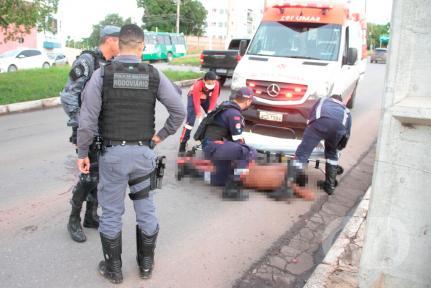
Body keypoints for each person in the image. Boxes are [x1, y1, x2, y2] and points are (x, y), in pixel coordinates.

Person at [76, 24, 186, 284]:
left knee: (112, 213)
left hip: (113, 156)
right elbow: (179, 112)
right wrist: (160, 136)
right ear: (141, 47)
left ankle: (114, 270)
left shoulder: (102, 75)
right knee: (145, 209)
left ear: (119, 44)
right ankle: (146, 266)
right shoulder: (154, 74)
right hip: (143, 156)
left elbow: (87, 121)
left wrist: (83, 152)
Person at [60, 25, 120, 242]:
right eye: (119, 40)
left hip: (106, 130)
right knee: (88, 177)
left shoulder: (112, 64)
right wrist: (82, 124)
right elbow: (68, 95)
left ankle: (91, 216)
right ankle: (73, 219)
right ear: (110, 40)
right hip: (88, 130)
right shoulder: (87, 61)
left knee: (101, 176)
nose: (122, 45)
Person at [199, 87, 257, 200]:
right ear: (248, 101)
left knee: (222, 179)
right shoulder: (234, 114)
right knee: (248, 151)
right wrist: (250, 158)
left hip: (210, 145)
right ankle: (233, 189)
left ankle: (195, 172)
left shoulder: (225, 106)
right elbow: (238, 141)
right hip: (214, 146)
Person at [294, 94, 352, 195]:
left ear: (331, 98)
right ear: (341, 102)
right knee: (331, 153)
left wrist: (311, 137)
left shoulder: (323, 100)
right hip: (338, 129)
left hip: (319, 123)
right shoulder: (346, 111)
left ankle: (292, 182)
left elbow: (310, 116)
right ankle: (330, 185)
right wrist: (337, 147)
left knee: (302, 153)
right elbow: (347, 133)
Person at [179, 71, 220, 153]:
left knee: (213, 117)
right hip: (193, 97)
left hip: (206, 98)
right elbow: (196, 100)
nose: (211, 84)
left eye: (213, 82)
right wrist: (198, 112)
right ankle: (183, 143)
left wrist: (210, 111)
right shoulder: (198, 84)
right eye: (209, 83)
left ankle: (209, 140)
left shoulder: (216, 84)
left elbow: (213, 99)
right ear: (204, 81)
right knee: (190, 122)